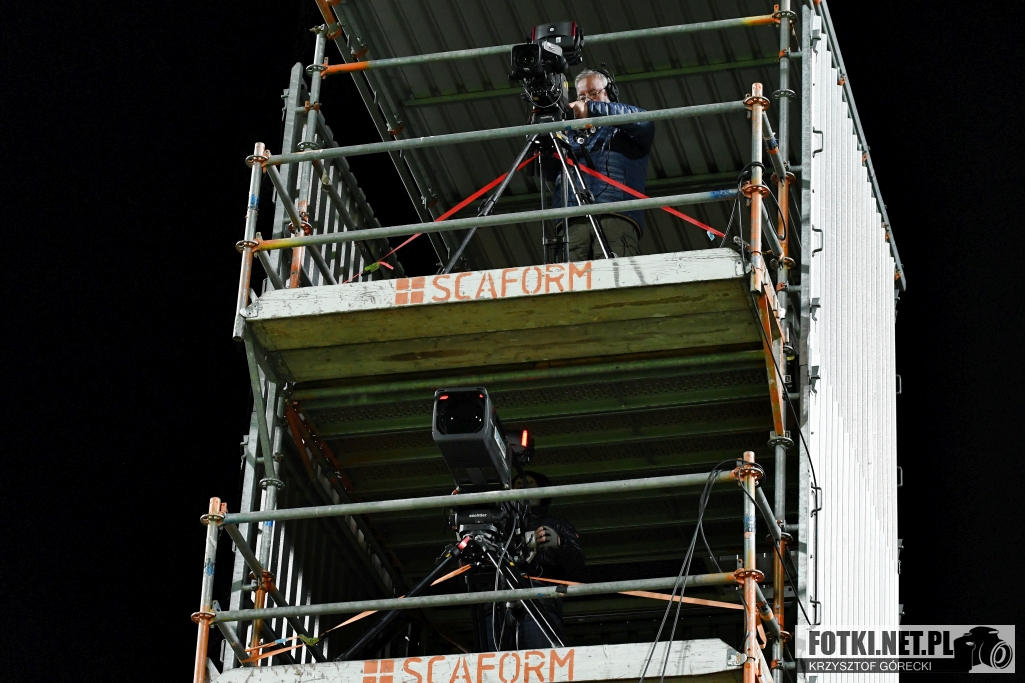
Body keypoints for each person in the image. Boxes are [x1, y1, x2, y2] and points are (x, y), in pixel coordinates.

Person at [473, 471, 584, 651]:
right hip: (495, 604)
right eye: (517, 483)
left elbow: (577, 568)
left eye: (530, 482)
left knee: (538, 663)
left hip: (540, 601)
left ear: (542, 492)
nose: (522, 485)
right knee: (494, 665)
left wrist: (559, 543)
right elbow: (473, 575)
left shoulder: (556, 524)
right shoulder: (493, 525)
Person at [553, 68, 655, 260]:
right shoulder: (568, 135)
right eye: (582, 97)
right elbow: (550, 173)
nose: (586, 101)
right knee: (571, 278)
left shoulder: (625, 128)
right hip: (572, 218)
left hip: (615, 214)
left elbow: (644, 121)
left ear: (611, 93)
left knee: (613, 275)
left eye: (593, 93)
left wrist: (591, 110)